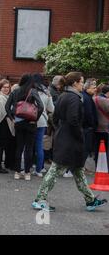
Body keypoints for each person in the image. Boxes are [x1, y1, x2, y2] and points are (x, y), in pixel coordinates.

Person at [32, 72, 107, 212]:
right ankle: (39, 199)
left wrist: (60, 130)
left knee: (78, 171)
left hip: (64, 137)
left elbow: (54, 117)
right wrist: (79, 135)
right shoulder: (74, 99)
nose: (82, 84)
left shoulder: (64, 96)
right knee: (55, 171)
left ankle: (90, 200)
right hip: (70, 141)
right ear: (75, 83)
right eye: (81, 81)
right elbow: (74, 121)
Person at [5, 73, 44, 181]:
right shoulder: (33, 91)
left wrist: (12, 118)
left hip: (18, 122)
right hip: (30, 123)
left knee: (19, 147)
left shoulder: (15, 91)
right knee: (29, 148)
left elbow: (7, 106)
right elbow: (41, 106)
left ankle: (17, 172)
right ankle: (27, 172)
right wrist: (35, 118)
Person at [32, 74, 54, 177]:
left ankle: (28, 166)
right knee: (39, 145)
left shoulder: (30, 91)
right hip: (42, 121)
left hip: (30, 120)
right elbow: (52, 109)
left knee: (29, 145)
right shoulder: (47, 94)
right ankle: (39, 169)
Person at [81, 79, 98, 166]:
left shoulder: (86, 96)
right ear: (87, 88)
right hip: (87, 128)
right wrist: (92, 125)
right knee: (85, 149)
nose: (95, 89)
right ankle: (76, 169)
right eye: (93, 87)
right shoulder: (87, 98)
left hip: (86, 127)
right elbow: (89, 113)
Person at [93, 84, 109, 167]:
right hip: (105, 129)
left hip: (96, 127)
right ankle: (104, 167)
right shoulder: (105, 101)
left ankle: (97, 166)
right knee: (105, 150)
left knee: (97, 149)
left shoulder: (94, 98)